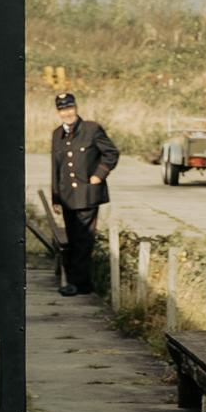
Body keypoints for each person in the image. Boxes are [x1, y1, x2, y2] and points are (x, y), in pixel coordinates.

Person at [47, 89, 118, 295]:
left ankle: (77, 283)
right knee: (72, 237)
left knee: (84, 239)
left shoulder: (91, 129)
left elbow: (111, 153)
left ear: (76, 107)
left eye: (69, 108)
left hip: (87, 194)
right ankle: (81, 283)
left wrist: (99, 175)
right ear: (58, 112)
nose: (67, 113)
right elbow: (56, 167)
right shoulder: (57, 134)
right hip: (68, 196)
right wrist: (56, 197)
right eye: (62, 109)